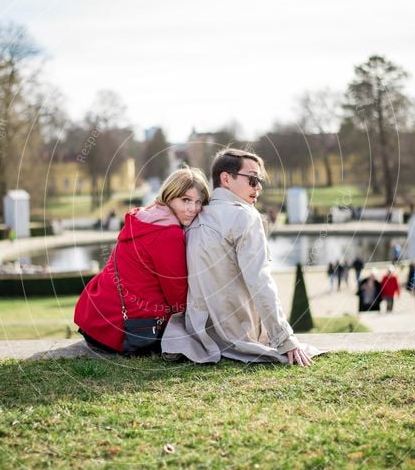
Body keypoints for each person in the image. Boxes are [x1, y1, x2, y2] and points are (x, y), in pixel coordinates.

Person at [161, 149, 320, 366]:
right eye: (253, 179)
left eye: (259, 181)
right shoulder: (245, 216)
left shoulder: (194, 216)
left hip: (198, 333)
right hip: (236, 333)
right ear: (226, 179)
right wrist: (285, 338)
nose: (259, 187)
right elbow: (260, 281)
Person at [74, 167, 211, 354]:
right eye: (185, 200)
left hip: (94, 317)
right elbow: (177, 294)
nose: (193, 209)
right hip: (124, 330)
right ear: (169, 196)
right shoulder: (169, 234)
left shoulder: (144, 216)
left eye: (199, 202)